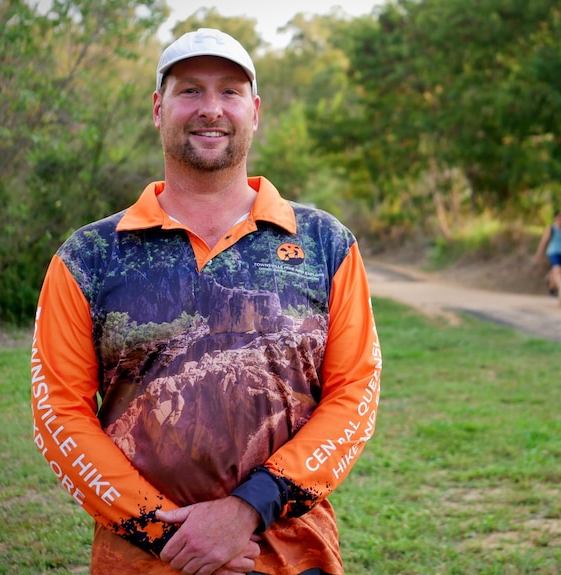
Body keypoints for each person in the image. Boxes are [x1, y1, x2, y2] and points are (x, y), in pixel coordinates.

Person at [29, 28, 382, 575]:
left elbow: (353, 394)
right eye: (190, 90)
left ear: (255, 110)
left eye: (230, 92)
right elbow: (60, 413)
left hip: (291, 556)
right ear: (158, 108)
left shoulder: (325, 242)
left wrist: (247, 509)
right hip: (142, 560)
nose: (210, 109)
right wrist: (166, 530)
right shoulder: (89, 255)